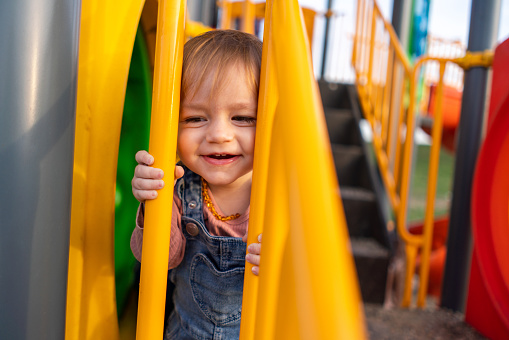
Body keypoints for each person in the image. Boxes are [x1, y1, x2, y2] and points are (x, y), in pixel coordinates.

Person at [130, 29, 263, 340]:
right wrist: (152, 201)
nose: (218, 134)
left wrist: (284, 262)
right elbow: (161, 259)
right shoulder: (177, 185)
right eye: (194, 119)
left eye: (242, 118)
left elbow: (309, 280)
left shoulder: (280, 195)